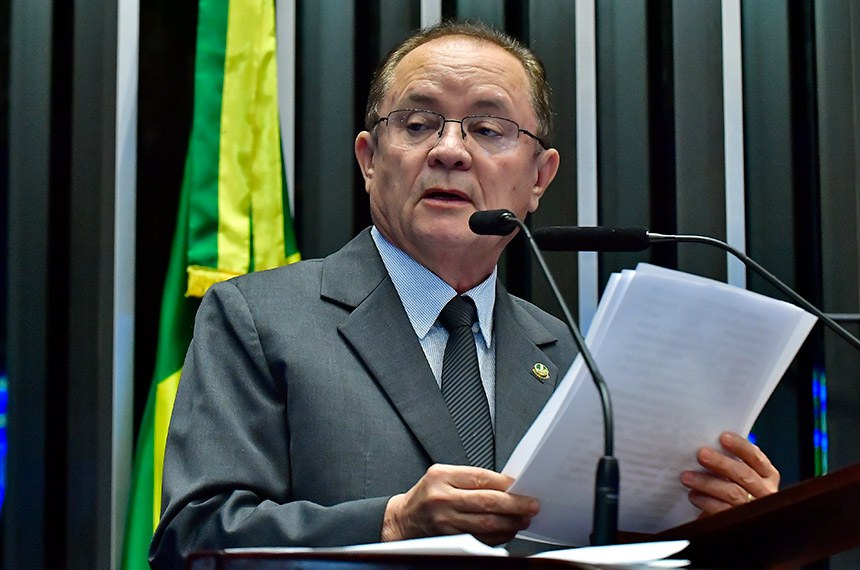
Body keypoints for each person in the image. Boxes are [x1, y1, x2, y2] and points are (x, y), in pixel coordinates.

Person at [149, 21, 780, 567]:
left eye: (488, 128)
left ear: (539, 178)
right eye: (419, 123)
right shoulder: (259, 319)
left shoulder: (574, 360)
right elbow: (192, 542)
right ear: (370, 159)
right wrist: (391, 525)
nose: (449, 151)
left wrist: (726, 528)